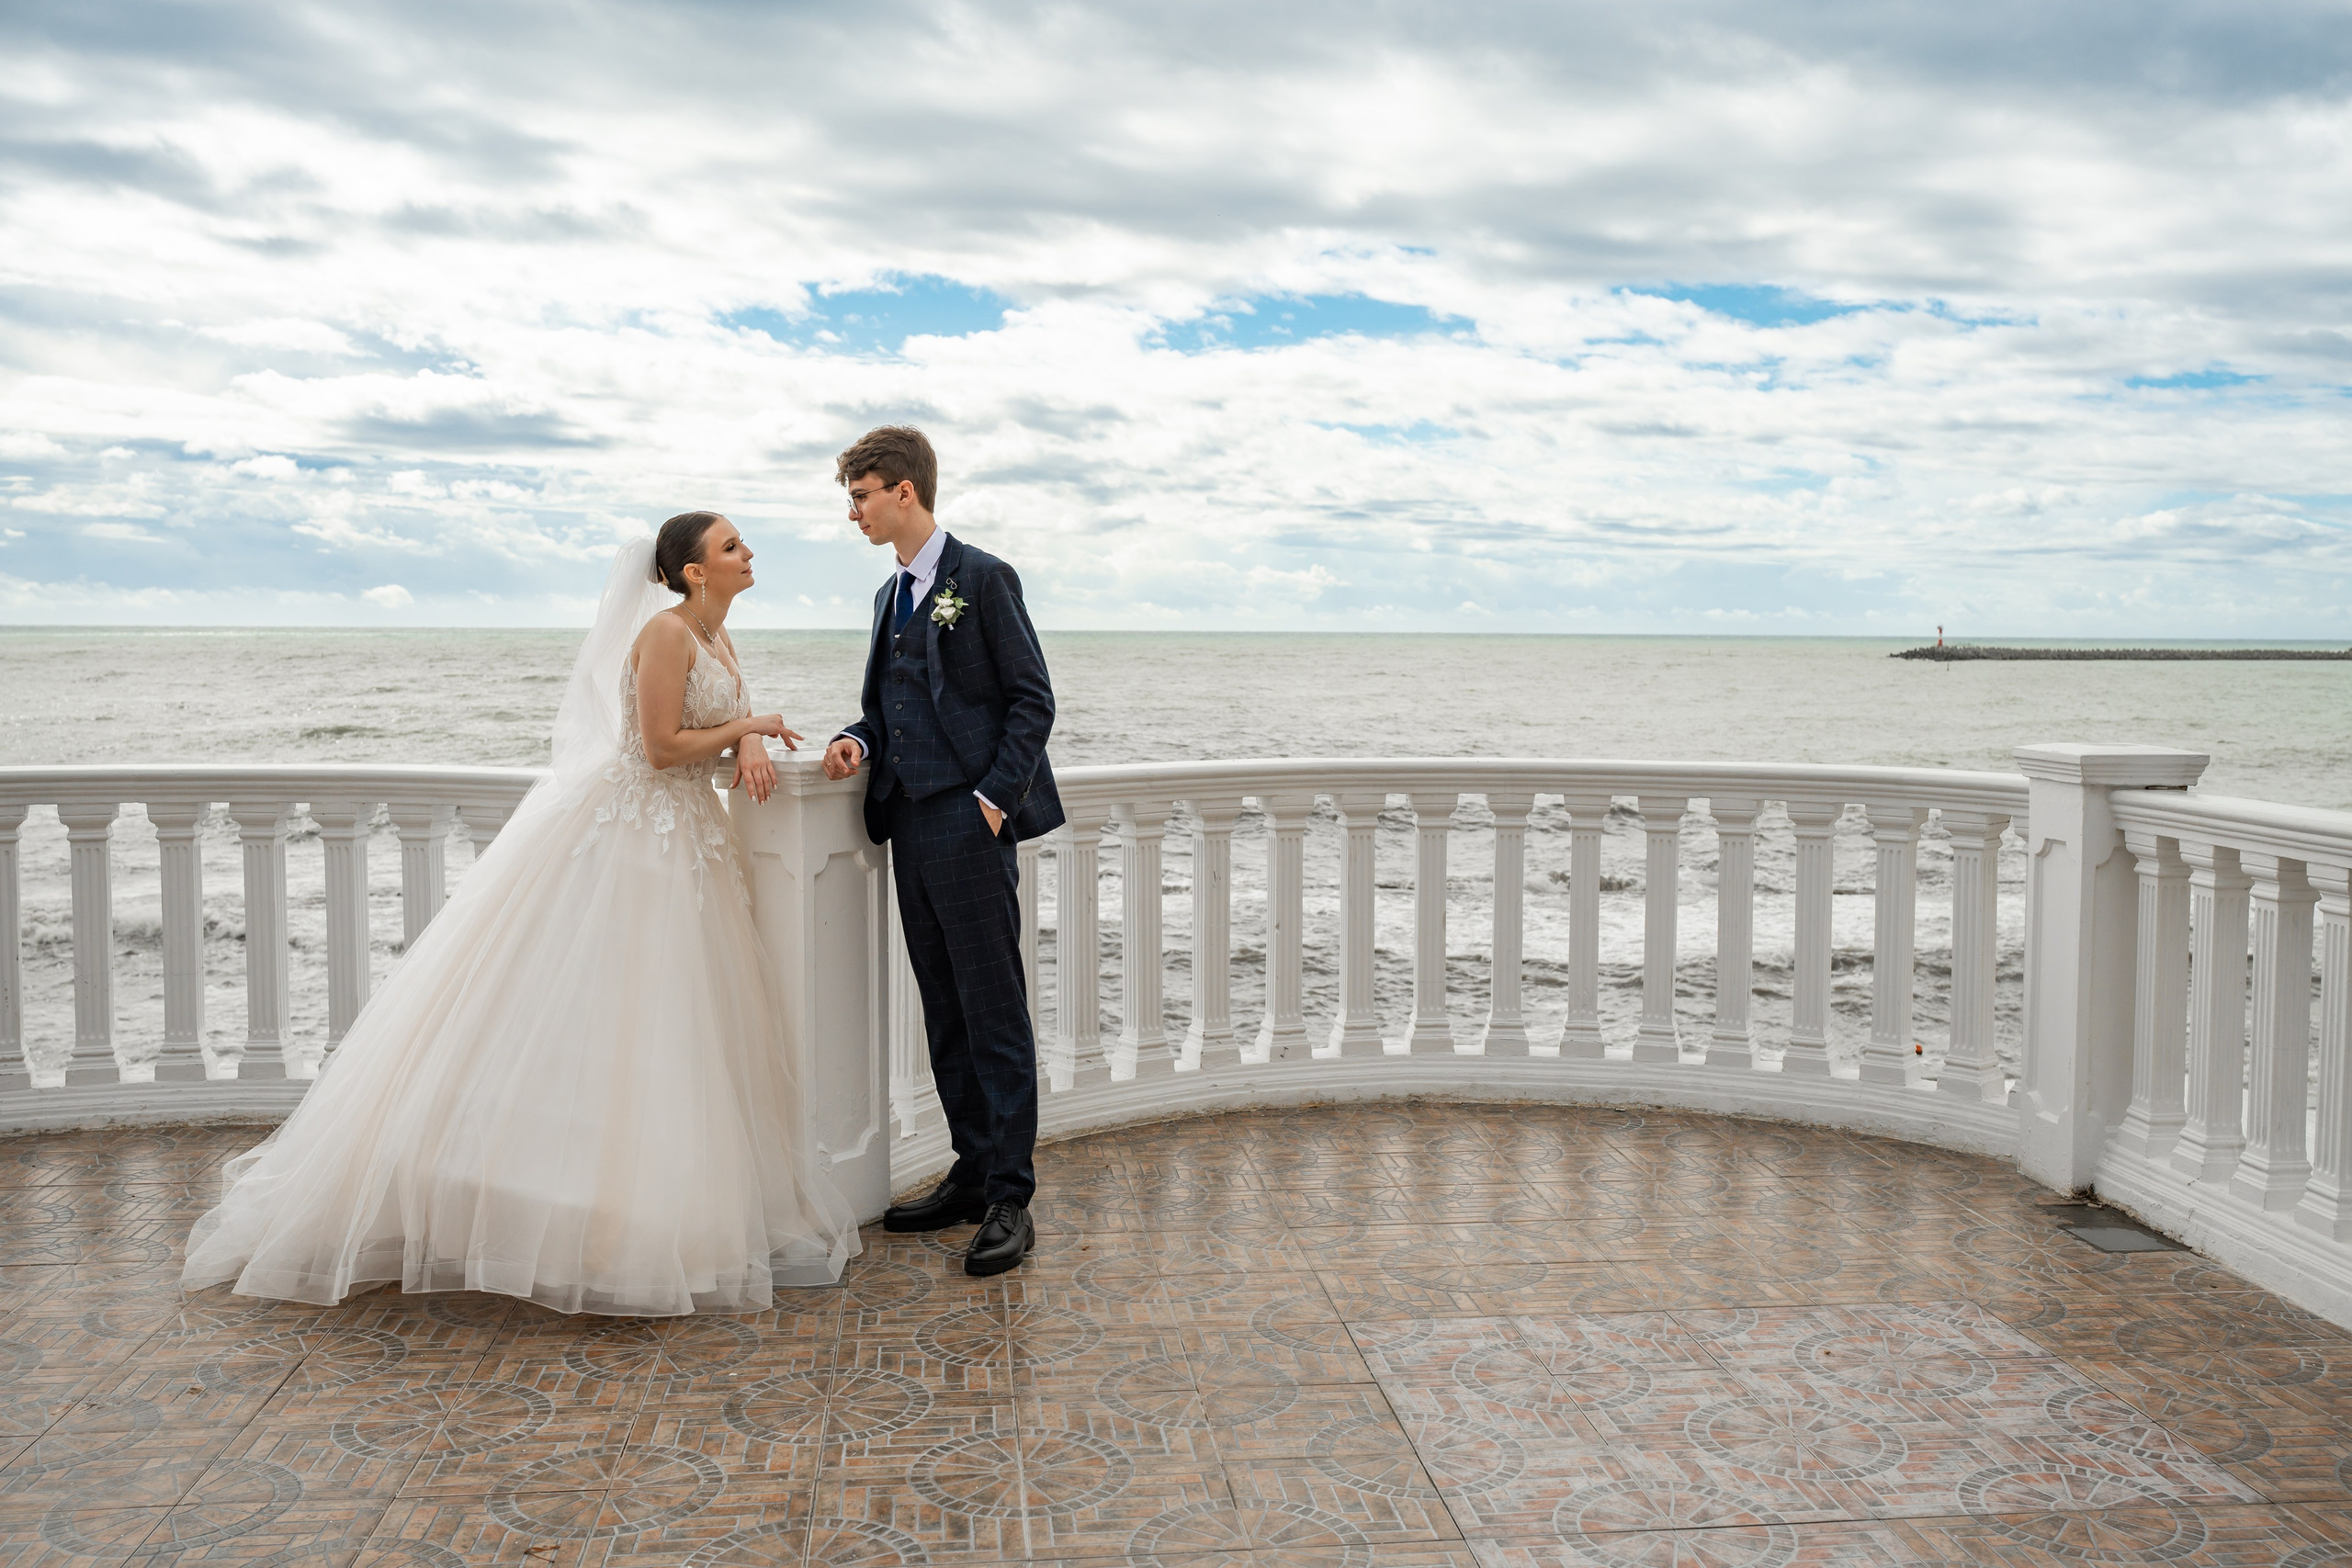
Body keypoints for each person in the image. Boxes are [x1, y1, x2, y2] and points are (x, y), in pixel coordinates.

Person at [182, 513, 860, 1314]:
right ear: (692, 572)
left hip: (692, 842)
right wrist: (749, 726)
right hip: (636, 843)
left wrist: (744, 742)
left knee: (672, 1027)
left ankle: (646, 1206)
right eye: (731, 546)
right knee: (601, 1018)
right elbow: (655, 747)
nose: (749, 554)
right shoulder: (668, 633)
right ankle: (558, 1211)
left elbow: (701, 738)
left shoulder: (720, 637)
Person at [820, 427, 1062, 1277]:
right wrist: (856, 738)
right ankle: (969, 1169)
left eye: (860, 494)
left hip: (969, 824)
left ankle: (1009, 1195)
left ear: (905, 493)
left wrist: (992, 803)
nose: (852, 509)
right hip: (909, 825)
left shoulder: (984, 578)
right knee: (945, 1005)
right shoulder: (890, 598)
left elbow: (1033, 700)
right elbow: (885, 709)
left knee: (994, 1009)